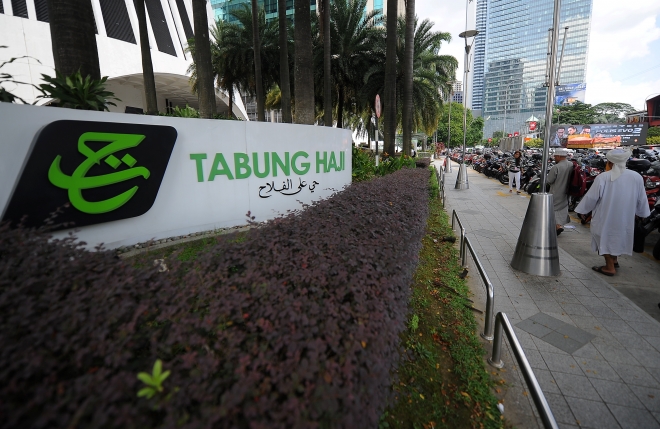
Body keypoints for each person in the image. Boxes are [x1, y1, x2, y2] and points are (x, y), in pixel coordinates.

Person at [575, 148, 650, 276]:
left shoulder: (603, 177)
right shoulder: (636, 177)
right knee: (618, 237)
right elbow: (642, 198)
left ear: (610, 162)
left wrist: (583, 210)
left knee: (604, 237)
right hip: (625, 216)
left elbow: (591, 197)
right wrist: (643, 213)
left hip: (605, 216)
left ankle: (609, 267)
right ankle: (614, 261)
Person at [547, 148, 573, 235]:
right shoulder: (571, 165)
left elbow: (549, 180)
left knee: (553, 209)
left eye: (555, 157)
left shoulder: (556, 167)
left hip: (556, 192)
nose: (554, 158)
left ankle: (557, 226)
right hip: (567, 192)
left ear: (558, 156)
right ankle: (559, 226)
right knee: (563, 209)